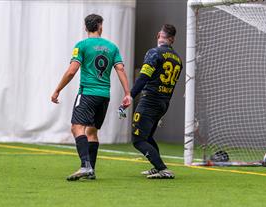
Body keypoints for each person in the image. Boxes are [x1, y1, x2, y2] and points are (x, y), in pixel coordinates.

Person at [51, 14, 132, 181]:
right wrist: (127, 94)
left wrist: (57, 89)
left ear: (86, 27)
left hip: (87, 93)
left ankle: (85, 166)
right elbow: (121, 70)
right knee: (92, 131)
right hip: (104, 96)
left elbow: (72, 71)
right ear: (100, 27)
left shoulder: (81, 45)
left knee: (76, 127)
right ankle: (91, 170)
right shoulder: (112, 47)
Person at [127, 24, 182, 179]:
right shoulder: (178, 59)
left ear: (159, 35)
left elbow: (144, 77)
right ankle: (157, 167)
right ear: (173, 40)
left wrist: (130, 95)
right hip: (164, 103)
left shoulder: (154, 53)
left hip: (149, 100)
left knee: (138, 140)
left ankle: (163, 169)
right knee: (148, 137)